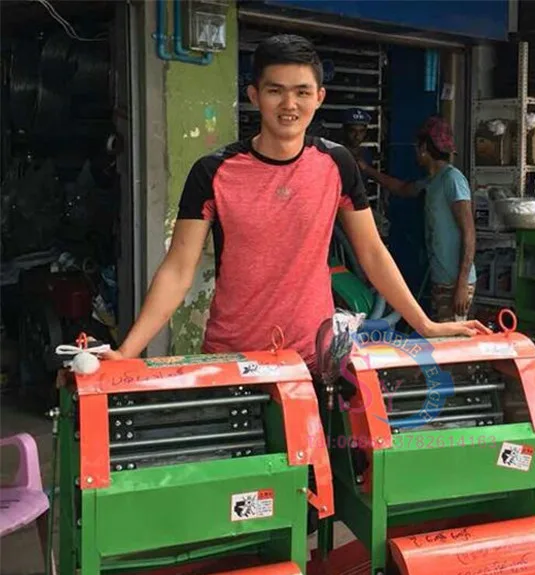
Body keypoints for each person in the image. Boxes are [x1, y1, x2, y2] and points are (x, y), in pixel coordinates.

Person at [102, 36, 488, 371]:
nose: (289, 104)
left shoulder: (338, 164)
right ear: (254, 95)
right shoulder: (213, 171)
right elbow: (178, 270)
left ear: (319, 97)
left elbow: (371, 252)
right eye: (275, 90)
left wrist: (425, 324)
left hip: (314, 362)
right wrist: (126, 351)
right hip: (235, 359)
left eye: (302, 91)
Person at [357, 116, 477, 322]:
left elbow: (469, 232)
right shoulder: (431, 182)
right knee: (442, 341)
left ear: (424, 148)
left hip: (454, 283)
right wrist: (367, 170)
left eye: (416, 147)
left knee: (451, 344)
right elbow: (402, 188)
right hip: (442, 280)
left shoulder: (452, 179)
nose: (415, 151)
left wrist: (462, 284)